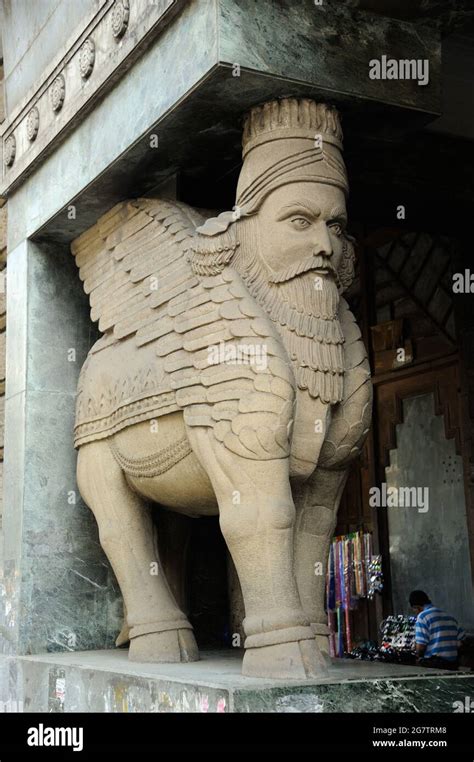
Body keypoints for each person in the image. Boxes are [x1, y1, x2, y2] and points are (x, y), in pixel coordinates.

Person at [409, 590, 465, 670]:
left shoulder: (422, 617)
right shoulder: (449, 616)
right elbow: (462, 639)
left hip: (435, 665)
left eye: (414, 610)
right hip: (453, 664)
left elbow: (421, 646)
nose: (415, 612)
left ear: (417, 607)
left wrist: (416, 656)